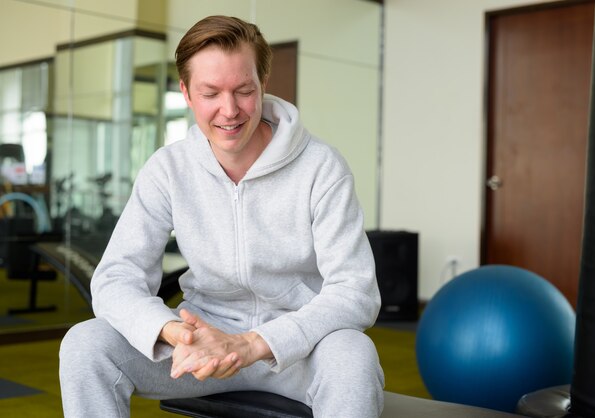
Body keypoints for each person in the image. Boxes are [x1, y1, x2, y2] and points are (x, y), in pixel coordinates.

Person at [59, 15, 384, 418]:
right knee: (85, 344)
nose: (229, 111)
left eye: (243, 91)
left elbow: (355, 292)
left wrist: (253, 342)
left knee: (354, 354)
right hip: (200, 342)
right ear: (186, 93)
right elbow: (114, 279)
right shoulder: (168, 168)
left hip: (295, 348)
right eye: (210, 93)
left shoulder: (322, 167)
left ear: (263, 84)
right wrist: (172, 330)